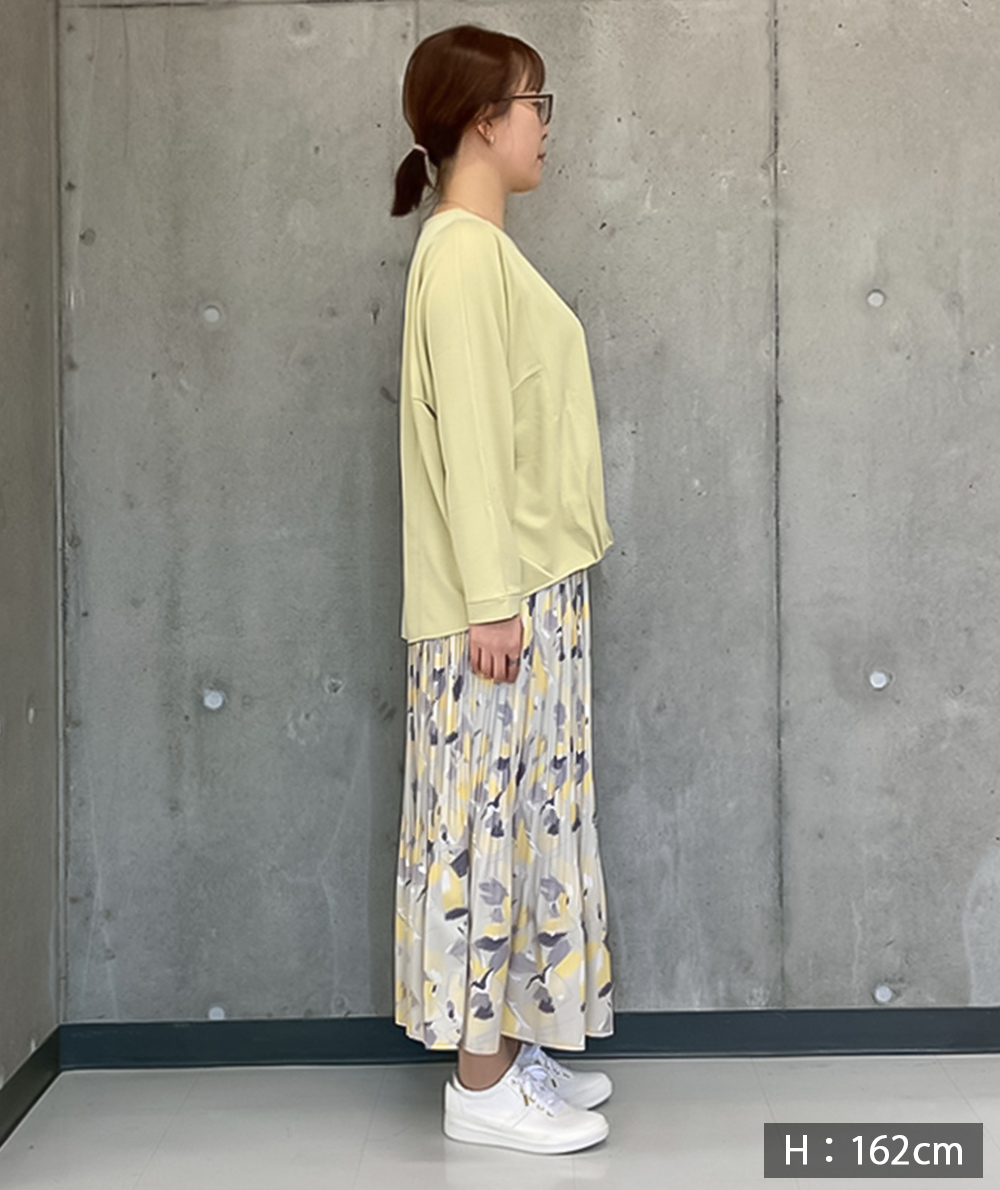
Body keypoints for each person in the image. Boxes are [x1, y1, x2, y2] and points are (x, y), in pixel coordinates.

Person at [390, 23, 616, 1155]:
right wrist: (491, 599)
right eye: (536, 104)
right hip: (498, 602)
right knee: (486, 826)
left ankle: (508, 1047)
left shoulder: (473, 248)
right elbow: (470, 440)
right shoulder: (464, 256)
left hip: (522, 589)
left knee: (517, 822)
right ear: (483, 120)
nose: (545, 127)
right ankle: (479, 1087)